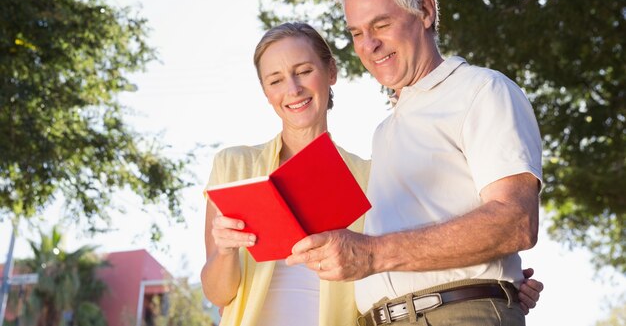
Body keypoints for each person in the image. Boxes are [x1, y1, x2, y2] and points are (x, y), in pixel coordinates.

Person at [200, 22, 543, 326]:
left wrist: (501, 280)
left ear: (330, 72)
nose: (292, 89)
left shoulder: (370, 176)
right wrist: (227, 251)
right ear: (266, 92)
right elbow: (218, 294)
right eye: (275, 80)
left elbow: (405, 253)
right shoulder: (235, 167)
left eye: (303, 71)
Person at [286, 0, 543, 326]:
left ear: (425, 11)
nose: (368, 45)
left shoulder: (482, 90)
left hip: (454, 315)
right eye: (357, 33)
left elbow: (516, 221)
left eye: (381, 24)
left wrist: (372, 255)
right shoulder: (385, 132)